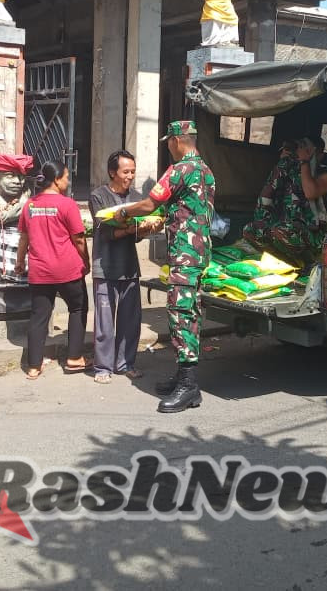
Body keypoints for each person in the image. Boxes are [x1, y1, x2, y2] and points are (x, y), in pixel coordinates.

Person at [112, 121, 215, 413]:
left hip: (185, 253)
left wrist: (122, 211)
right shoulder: (206, 171)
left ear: (177, 141)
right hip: (199, 252)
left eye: (169, 141)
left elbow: (150, 203)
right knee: (188, 311)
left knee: (181, 315)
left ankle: (189, 386)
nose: (168, 146)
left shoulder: (180, 169)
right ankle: (183, 376)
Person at [88, 150, 163, 384]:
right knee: (105, 322)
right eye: (125, 172)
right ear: (113, 172)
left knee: (130, 320)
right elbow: (107, 232)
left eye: (133, 171)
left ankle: (125, 363)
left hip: (130, 267)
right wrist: (132, 228)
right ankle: (102, 366)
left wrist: (149, 227)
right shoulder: (98, 196)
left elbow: (136, 234)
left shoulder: (137, 198)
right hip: (105, 266)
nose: (130, 176)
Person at [15, 160, 89, 380]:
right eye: (66, 176)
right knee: (78, 308)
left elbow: (24, 238)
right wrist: (86, 260)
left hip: (40, 270)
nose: (67, 180)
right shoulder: (68, 205)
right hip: (67, 268)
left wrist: (20, 262)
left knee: (39, 316)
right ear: (56, 180)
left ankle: (33, 366)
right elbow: (79, 239)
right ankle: (74, 358)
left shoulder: (30, 205)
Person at [242, 135, 327, 266]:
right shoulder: (292, 171)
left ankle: (306, 262)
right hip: (285, 227)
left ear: (319, 154)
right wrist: (282, 163)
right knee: (250, 230)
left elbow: (310, 192)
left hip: (312, 234)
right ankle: (284, 261)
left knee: (280, 231)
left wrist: (305, 162)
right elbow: (267, 193)